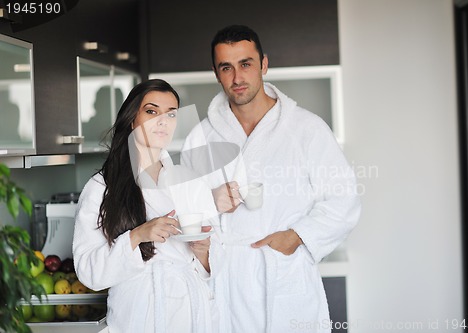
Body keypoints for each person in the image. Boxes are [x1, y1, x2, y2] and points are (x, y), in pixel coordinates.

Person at [181, 25, 361, 332]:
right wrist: (209, 202)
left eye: (246, 64)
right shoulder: (201, 138)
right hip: (225, 284)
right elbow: (184, 213)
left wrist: (295, 236)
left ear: (264, 64)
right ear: (215, 72)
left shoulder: (307, 129)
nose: (237, 78)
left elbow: (344, 199)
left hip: (284, 276)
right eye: (227, 67)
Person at [73, 79, 219, 333]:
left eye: (171, 114)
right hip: (138, 315)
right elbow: (89, 272)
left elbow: (214, 262)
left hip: (189, 314)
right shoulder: (102, 188)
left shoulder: (190, 182)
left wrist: (204, 252)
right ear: (132, 119)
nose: (162, 121)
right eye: (151, 111)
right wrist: (137, 235)